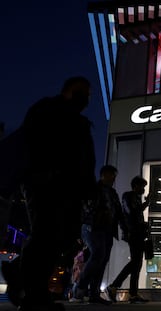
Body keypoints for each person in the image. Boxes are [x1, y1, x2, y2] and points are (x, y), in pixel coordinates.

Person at [5, 76, 97, 311]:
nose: (86, 99)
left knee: (63, 237)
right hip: (46, 183)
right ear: (69, 91)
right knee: (47, 232)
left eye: (87, 95)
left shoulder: (78, 120)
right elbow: (33, 142)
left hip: (70, 187)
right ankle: (33, 293)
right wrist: (43, 173)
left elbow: (83, 157)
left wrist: (87, 186)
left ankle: (23, 277)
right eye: (82, 93)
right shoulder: (48, 109)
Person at [71, 165, 127, 305]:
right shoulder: (92, 189)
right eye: (111, 174)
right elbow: (80, 208)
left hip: (107, 230)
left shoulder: (113, 193)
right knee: (98, 255)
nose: (113, 178)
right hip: (92, 227)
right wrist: (77, 230)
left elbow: (118, 212)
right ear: (103, 175)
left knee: (102, 261)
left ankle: (94, 293)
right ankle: (80, 289)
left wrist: (125, 228)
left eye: (114, 175)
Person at [105, 176, 151, 304]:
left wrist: (146, 204)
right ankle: (113, 287)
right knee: (135, 262)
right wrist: (140, 225)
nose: (143, 189)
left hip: (138, 233)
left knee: (137, 264)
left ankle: (133, 294)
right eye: (142, 186)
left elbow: (135, 212)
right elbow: (130, 213)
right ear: (135, 185)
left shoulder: (135, 198)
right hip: (133, 234)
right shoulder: (127, 196)